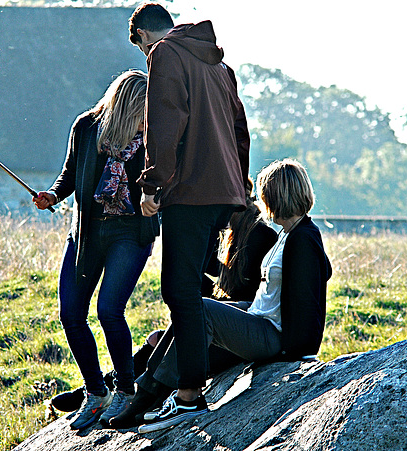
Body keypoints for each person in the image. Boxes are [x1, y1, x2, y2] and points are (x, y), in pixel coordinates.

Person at [115, 158, 332, 433]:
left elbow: (309, 301)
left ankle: (180, 400)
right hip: (258, 316)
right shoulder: (290, 234)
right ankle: (146, 395)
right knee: (189, 314)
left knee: (201, 309)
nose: (261, 202)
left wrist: (296, 352)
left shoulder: (303, 238)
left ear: (277, 195)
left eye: (266, 195)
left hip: (273, 335)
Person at [127, 2, 251, 426]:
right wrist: (243, 186)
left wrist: (152, 185)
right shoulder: (220, 67)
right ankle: (168, 386)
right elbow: (240, 130)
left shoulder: (165, 54)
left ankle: (189, 394)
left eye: (142, 48)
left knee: (179, 293)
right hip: (225, 193)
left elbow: (165, 123)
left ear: (143, 34)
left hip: (189, 193)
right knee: (194, 290)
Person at [32, 70, 160, 429]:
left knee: (108, 310)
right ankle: (95, 392)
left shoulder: (153, 137)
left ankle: (126, 390)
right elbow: (69, 173)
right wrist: (53, 196)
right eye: (140, 113)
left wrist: (156, 199)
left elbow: (165, 181)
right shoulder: (86, 127)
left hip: (131, 233)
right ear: (123, 109)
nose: (145, 121)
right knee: (71, 313)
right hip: (86, 233)